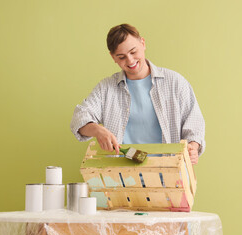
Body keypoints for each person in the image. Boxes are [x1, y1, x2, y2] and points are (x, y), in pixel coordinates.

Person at [70, 23, 205, 164]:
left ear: (143, 43)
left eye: (133, 52)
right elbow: (79, 117)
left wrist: (193, 147)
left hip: (169, 174)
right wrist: (98, 130)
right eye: (121, 57)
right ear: (113, 57)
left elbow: (195, 122)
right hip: (121, 177)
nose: (130, 60)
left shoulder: (175, 82)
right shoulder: (106, 88)